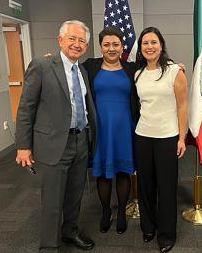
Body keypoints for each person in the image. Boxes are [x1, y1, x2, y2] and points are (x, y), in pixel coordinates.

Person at [15, 20, 97, 253]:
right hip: (53, 144)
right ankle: (49, 246)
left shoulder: (82, 70)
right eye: (72, 38)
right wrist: (23, 145)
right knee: (52, 201)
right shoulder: (41, 65)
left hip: (80, 141)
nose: (77, 44)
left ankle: (70, 232)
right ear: (61, 40)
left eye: (82, 41)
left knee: (74, 196)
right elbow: (26, 108)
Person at [134, 27, 188, 253]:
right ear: (141, 48)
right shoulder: (137, 74)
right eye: (145, 43)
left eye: (153, 42)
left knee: (166, 188)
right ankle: (148, 226)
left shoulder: (175, 71)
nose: (149, 46)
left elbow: (182, 106)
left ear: (161, 45)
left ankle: (166, 234)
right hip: (143, 136)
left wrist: (182, 138)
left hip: (167, 137)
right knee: (145, 185)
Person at [82, 26, 139, 234]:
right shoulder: (90, 66)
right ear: (101, 47)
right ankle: (106, 211)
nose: (111, 48)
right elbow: (66, 67)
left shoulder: (131, 68)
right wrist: (50, 59)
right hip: (101, 130)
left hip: (124, 129)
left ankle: (122, 212)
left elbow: (155, 67)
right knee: (103, 176)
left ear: (122, 46)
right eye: (106, 44)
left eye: (115, 44)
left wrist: (174, 67)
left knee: (124, 172)